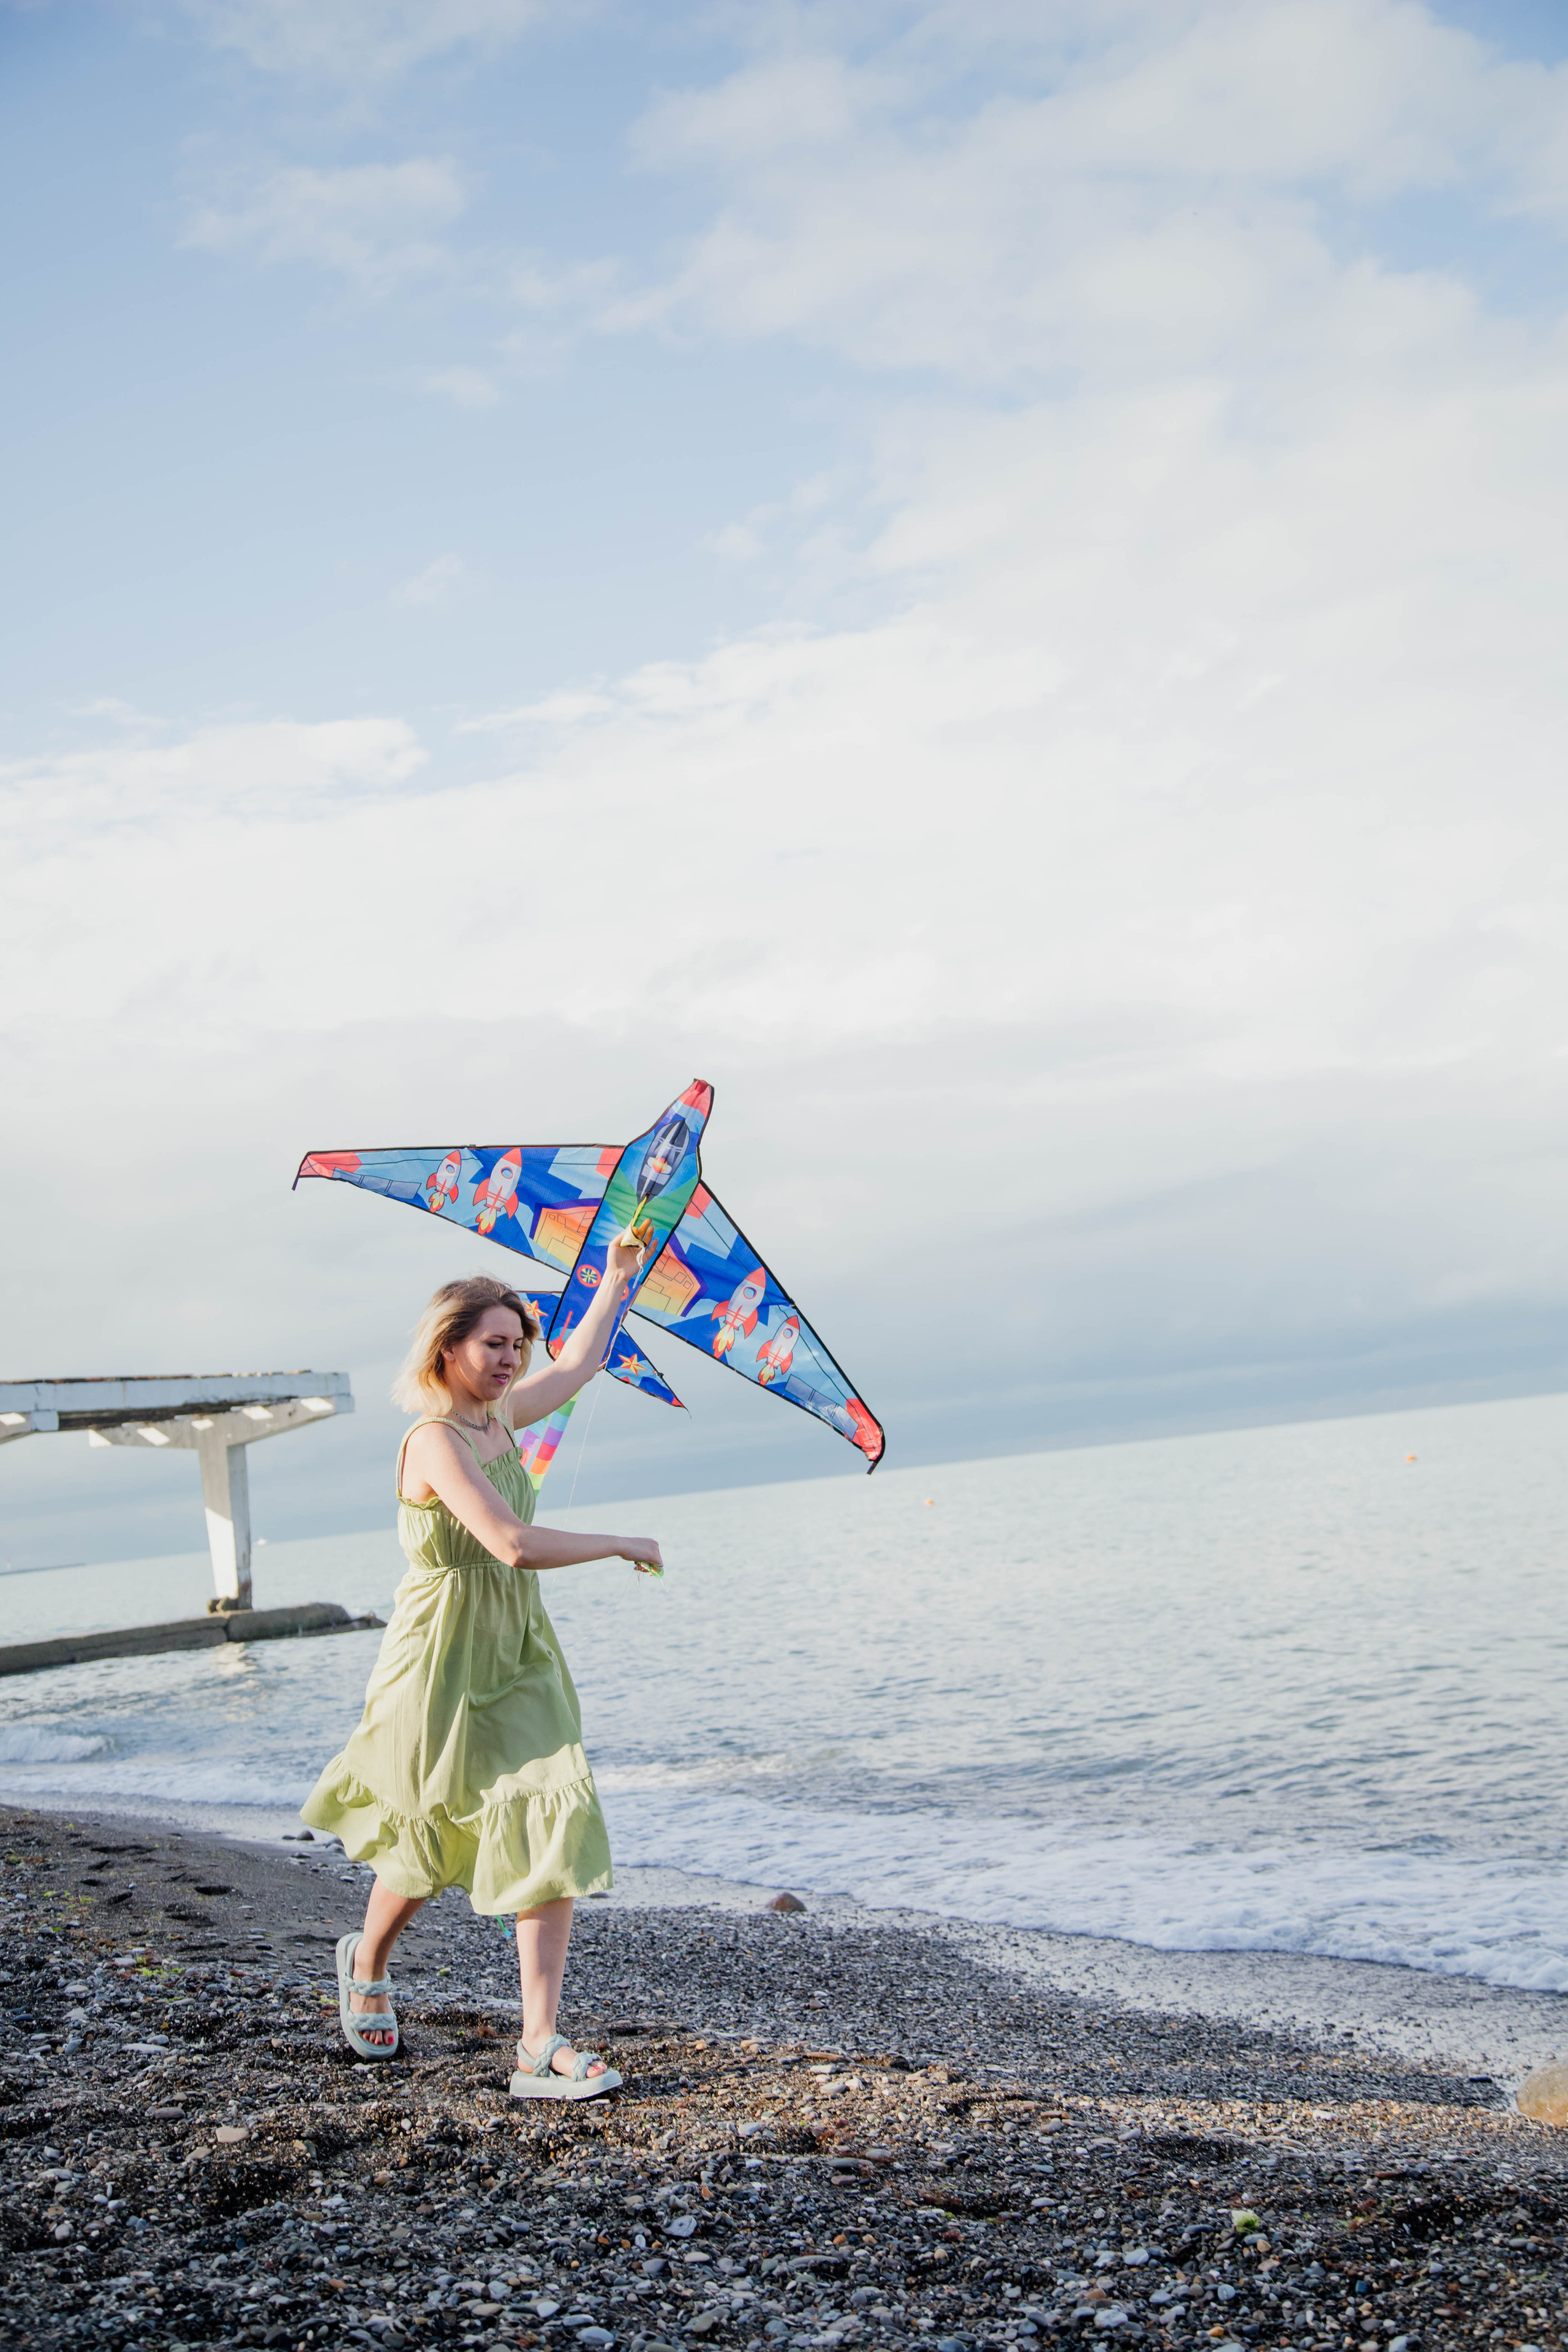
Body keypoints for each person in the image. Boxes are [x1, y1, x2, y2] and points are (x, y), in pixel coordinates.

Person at [301, 1245, 662, 2099]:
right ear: (447, 1348)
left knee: (552, 1817)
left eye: (516, 1346)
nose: (509, 1361)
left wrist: (617, 1275)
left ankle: (539, 2044)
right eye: (494, 1344)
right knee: (425, 1836)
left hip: (517, 1647)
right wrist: (618, 1541)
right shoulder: (434, 1440)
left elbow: (580, 1363)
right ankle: (368, 1964)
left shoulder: (503, 1420)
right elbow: (510, 1542)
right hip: (440, 1656)